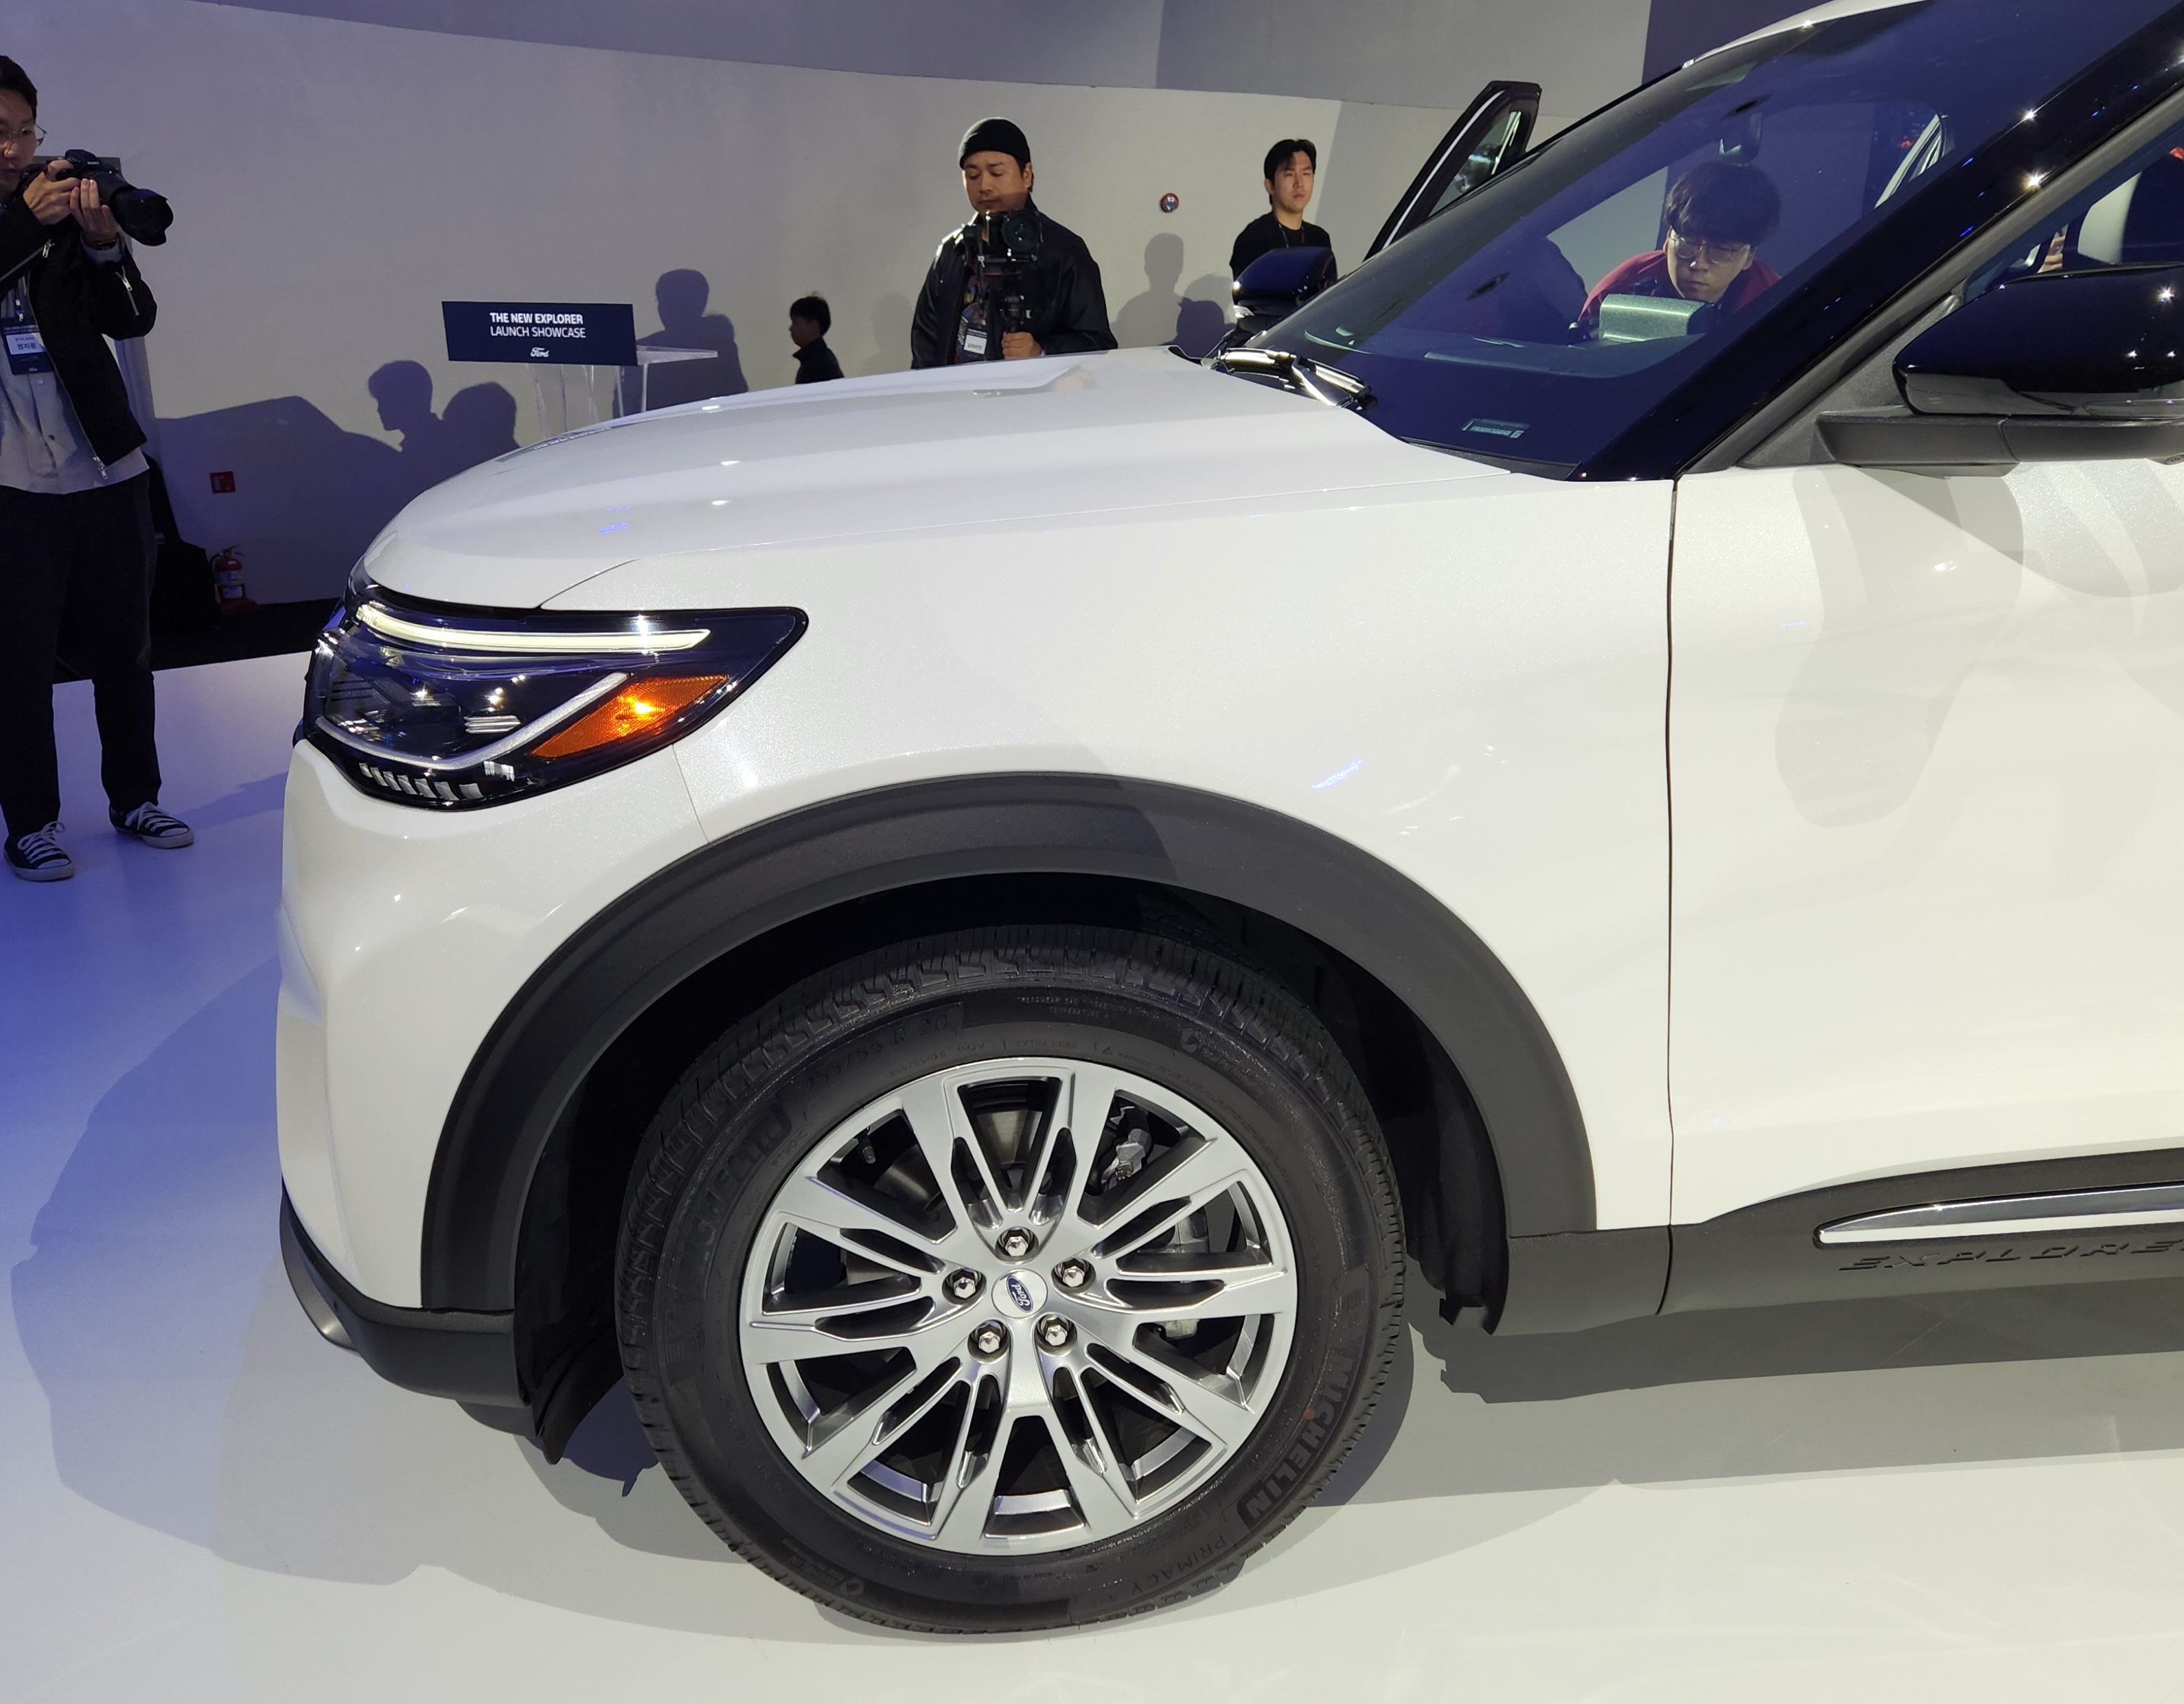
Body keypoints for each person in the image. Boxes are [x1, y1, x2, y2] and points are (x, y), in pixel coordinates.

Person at [0, 56, 190, 882]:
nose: (14, 149)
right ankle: (32, 821)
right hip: (10, 480)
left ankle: (136, 796)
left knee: (123, 648)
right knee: (18, 661)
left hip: (104, 466)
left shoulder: (60, 208)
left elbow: (133, 321)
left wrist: (105, 245)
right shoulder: (29, 218)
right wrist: (26, 226)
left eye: (24, 131)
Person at [910, 117, 1116, 368]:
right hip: (956, 392)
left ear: (1026, 175)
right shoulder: (953, 250)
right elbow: (925, 345)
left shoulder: (1063, 251)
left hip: (1032, 392)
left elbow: (1099, 343)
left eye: (996, 173)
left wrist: (1041, 352)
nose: (984, 185)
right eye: (972, 175)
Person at [1581, 161, 1783, 330]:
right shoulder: (1618, 292)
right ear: (1668, 240)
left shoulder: (1773, 301)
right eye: (1688, 243)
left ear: (1749, 256)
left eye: (1720, 250)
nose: (1698, 264)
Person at [1229, 139, 1334, 279]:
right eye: (1289, 175)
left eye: (1306, 174)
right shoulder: (1254, 240)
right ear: (1270, 186)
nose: (1299, 183)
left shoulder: (1319, 239)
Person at [789, 295, 843, 383]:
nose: (791, 328)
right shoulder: (820, 359)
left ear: (814, 326)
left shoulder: (818, 366)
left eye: (796, 322)